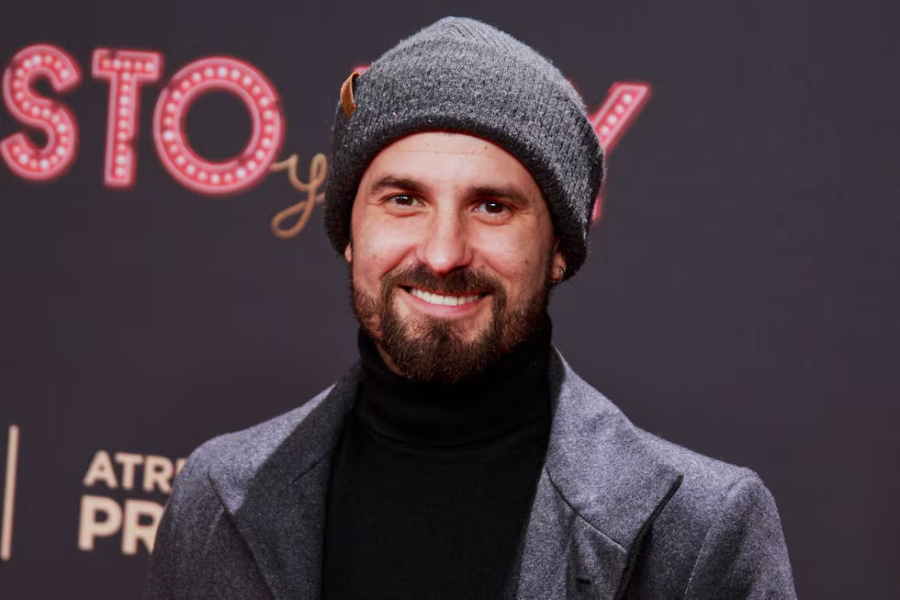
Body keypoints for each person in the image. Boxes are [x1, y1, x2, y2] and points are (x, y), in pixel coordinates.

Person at [146, 16, 796, 599]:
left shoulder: (704, 532)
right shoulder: (216, 498)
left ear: (558, 250)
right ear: (349, 231)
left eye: (492, 206)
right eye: (404, 200)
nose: (442, 253)